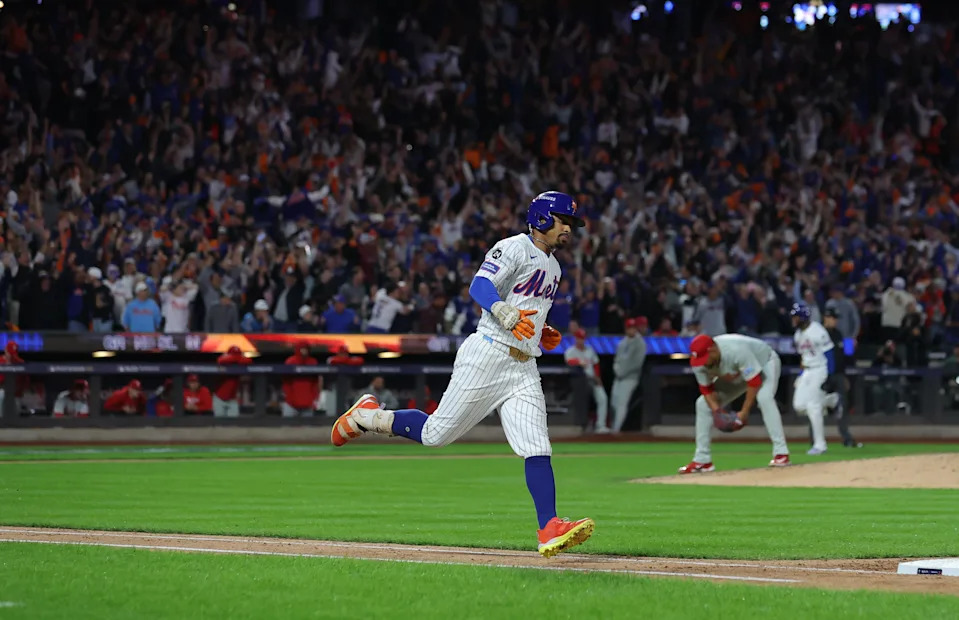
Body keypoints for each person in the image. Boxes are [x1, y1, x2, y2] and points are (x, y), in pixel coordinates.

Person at [330, 191, 595, 558]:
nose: (569, 228)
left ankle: (548, 527)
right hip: (488, 353)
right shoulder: (513, 247)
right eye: (564, 220)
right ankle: (367, 416)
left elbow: (527, 309)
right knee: (436, 434)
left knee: (537, 446)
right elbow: (480, 286)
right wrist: (502, 312)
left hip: (523, 365)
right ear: (543, 219)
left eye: (572, 223)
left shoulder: (555, 267)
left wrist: (541, 330)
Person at [679, 333, 790, 473]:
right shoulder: (698, 362)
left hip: (765, 361)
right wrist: (717, 411)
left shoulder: (736, 351)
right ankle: (703, 460)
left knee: (764, 398)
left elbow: (754, 382)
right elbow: (706, 389)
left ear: (713, 349)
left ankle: (781, 453)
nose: (703, 363)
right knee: (702, 404)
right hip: (738, 373)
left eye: (705, 358)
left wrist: (744, 412)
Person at [790, 303, 835, 455]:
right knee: (799, 406)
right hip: (807, 371)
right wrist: (801, 375)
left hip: (819, 369)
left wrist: (830, 376)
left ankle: (820, 445)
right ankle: (831, 400)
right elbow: (803, 357)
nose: (793, 319)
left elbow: (829, 354)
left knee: (814, 408)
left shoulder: (817, 330)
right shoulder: (798, 334)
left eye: (795, 316)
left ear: (802, 317)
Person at [821, 308, 862, 448]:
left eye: (835, 318)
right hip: (822, 375)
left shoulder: (838, 334)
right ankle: (815, 440)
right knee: (816, 407)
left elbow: (846, 356)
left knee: (842, 406)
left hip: (838, 375)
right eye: (833, 317)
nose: (835, 320)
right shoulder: (820, 334)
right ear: (825, 318)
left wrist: (851, 346)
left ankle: (847, 438)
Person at [564, 329, 609, 433]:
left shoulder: (590, 350)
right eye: (579, 338)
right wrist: (579, 362)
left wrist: (598, 377)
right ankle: (584, 425)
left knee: (603, 398)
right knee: (584, 402)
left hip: (593, 379)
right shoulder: (571, 351)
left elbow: (596, 364)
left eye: (582, 338)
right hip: (580, 382)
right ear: (576, 338)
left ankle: (600, 425)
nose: (581, 341)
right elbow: (568, 360)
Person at [610, 317, 647, 433]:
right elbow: (616, 359)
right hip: (618, 377)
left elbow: (637, 364)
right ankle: (613, 427)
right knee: (614, 403)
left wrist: (623, 372)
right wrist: (617, 370)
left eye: (633, 328)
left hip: (630, 378)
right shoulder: (622, 343)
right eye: (629, 328)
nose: (631, 330)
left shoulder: (640, 343)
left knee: (622, 404)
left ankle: (616, 430)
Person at [281, 341, 320, 417]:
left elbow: (316, 382)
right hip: (291, 402)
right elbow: (285, 381)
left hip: (308, 402)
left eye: (306, 349)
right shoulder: (290, 361)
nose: (304, 351)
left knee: (307, 427)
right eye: (302, 349)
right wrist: (287, 395)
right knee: (288, 426)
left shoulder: (313, 362)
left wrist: (315, 397)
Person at [213, 345, 251, 417]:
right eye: (233, 355)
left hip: (232, 400)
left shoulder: (240, 364)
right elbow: (220, 360)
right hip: (219, 399)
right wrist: (236, 358)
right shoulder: (223, 361)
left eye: (237, 355)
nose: (235, 357)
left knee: (233, 425)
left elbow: (249, 360)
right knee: (219, 425)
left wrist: (236, 358)